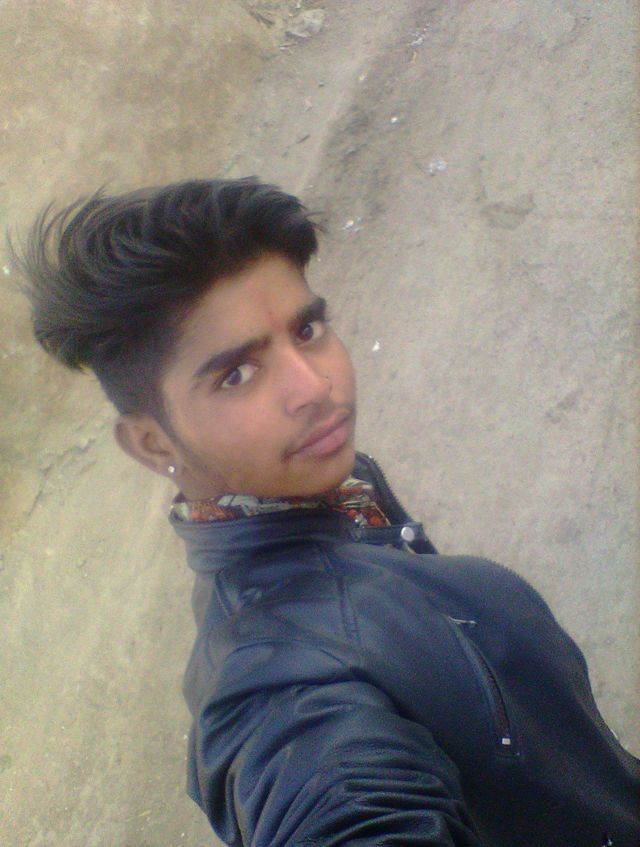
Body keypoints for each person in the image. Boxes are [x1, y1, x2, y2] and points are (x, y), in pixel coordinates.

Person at [16, 177, 639, 846]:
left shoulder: (317, 488)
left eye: (307, 330)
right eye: (237, 374)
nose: (315, 386)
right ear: (153, 443)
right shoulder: (277, 692)